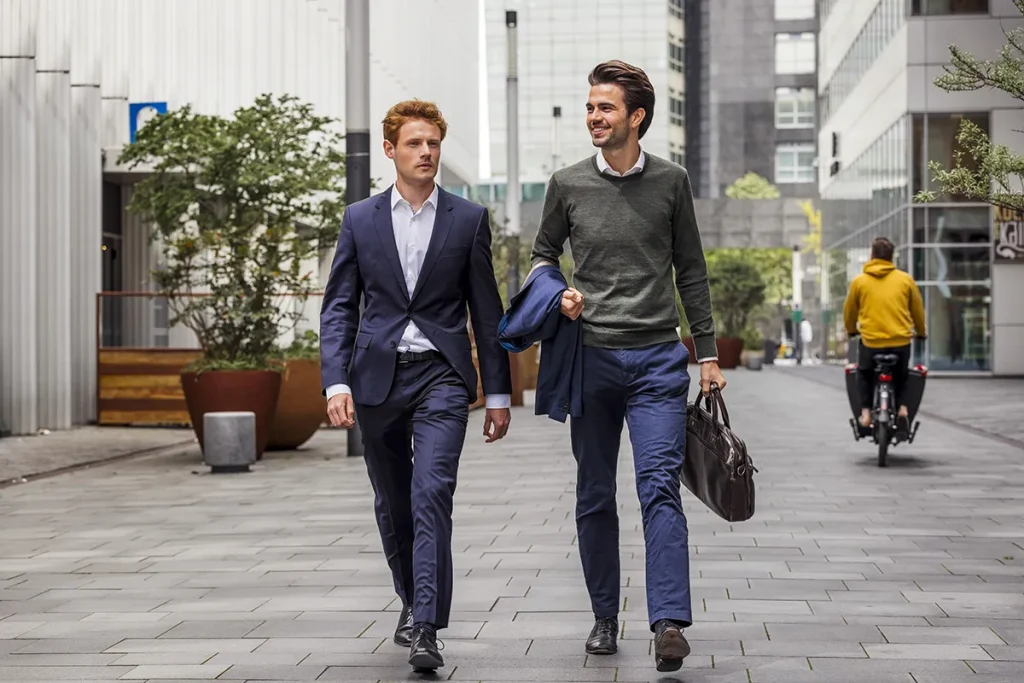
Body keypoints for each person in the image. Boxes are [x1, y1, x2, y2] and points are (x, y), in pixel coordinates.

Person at [530, 60, 726, 674]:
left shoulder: (671, 182)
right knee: (594, 492)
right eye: (590, 107)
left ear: (635, 117)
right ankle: (603, 616)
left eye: (605, 108)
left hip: (657, 362)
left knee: (658, 487)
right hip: (589, 359)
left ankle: (668, 622)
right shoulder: (566, 183)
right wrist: (556, 292)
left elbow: (690, 269)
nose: (594, 116)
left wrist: (707, 353)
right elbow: (542, 255)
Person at [319, 99, 513, 673]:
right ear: (390, 150)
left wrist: (498, 394)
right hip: (376, 378)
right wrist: (335, 382)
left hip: (441, 377)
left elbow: (487, 311)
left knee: (431, 492)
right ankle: (410, 598)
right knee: (393, 501)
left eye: (432, 143)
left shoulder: (467, 219)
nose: (426, 152)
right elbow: (339, 307)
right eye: (414, 143)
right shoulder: (359, 219)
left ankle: (426, 626)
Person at [843, 236, 926, 433]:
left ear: (872, 255)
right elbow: (917, 311)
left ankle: (865, 413)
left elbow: (850, 312)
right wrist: (921, 332)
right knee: (902, 375)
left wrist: (851, 330)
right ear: (891, 257)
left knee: (864, 374)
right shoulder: (905, 280)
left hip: (871, 342)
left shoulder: (859, 282)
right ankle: (903, 410)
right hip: (900, 341)